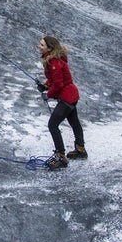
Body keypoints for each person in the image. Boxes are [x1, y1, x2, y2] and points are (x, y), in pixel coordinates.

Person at [37, 36, 87, 169]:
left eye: (42, 45)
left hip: (66, 98)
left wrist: (48, 94)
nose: (39, 47)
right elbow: (56, 80)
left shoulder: (54, 63)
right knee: (74, 121)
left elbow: (58, 84)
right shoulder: (55, 60)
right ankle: (80, 149)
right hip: (72, 95)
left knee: (52, 125)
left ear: (49, 48)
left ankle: (61, 157)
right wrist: (46, 85)